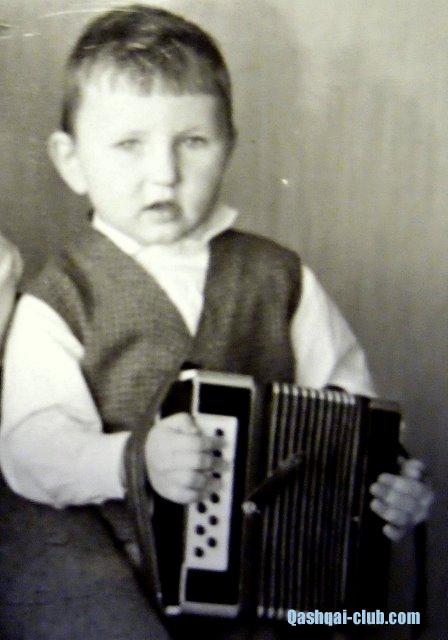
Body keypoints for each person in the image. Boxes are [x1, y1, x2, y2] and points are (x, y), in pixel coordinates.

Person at [0, 5, 433, 640]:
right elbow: (31, 450)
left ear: (228, 146)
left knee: (373, 618)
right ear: (71, 162)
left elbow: (355, 411)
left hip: (279, 583)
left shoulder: (281, 276)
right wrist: (134, 458)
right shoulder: (59, 297)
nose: (164, 173)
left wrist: (388, 481)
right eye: (128, 145)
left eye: (193, 142)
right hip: (125, 584)